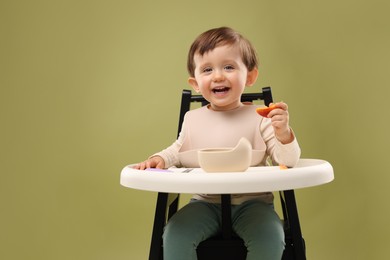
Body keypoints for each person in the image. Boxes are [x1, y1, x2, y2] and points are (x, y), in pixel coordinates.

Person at [134, 26, 301, 260]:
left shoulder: (260, 118)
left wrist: (283, 133)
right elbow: (177, 151)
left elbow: (288, 161)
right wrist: (160, 159)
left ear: (250, 76)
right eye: (207, 69)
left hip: (254, 205)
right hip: (205, 203)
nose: (218, 76)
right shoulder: (192, 119)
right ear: (195, 83)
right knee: (174, 234)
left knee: (271, 238)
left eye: (229, 67)